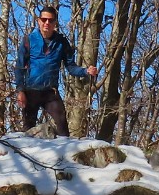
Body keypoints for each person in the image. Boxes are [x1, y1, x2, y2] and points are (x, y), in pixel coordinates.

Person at [13, 7, 97, 137]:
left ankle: (64, 156)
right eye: (44, 19)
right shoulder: (28, 40)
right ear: (39, 21)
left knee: (63, 129)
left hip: (50, 93)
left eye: (50, 20)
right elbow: (19, 67)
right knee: (28, 133)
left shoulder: (62, 43)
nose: (47, 23)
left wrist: (86, 71)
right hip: (31, 92)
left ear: (55, 23)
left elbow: (71, 67)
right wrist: (20, 91)